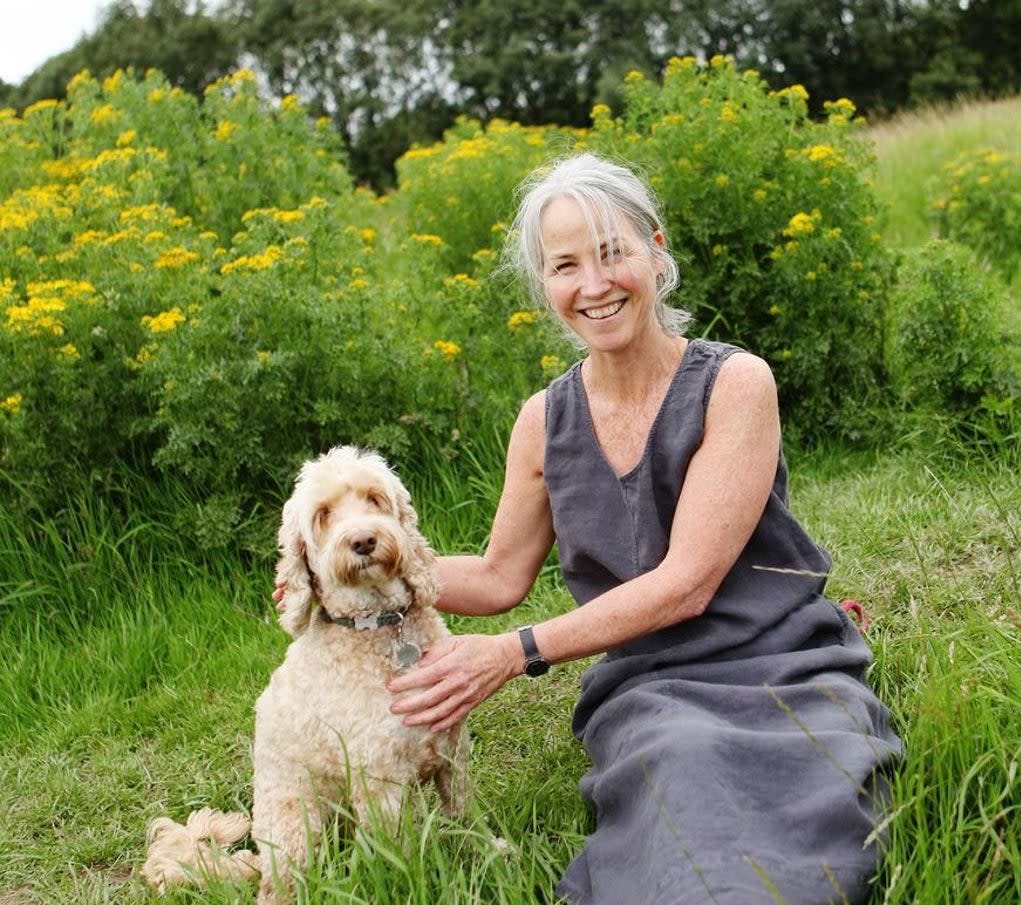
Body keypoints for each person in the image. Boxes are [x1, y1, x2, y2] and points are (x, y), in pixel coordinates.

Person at [286, 152, 902, 904]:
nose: (594, 284)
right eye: (565, 265)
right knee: (681, 768)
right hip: (655, 687)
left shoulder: (736, 384)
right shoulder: (543, 422)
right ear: (545, 286)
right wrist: (352, 568)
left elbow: (688, 581)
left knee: (813, 797)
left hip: (780, 663)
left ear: (656, 251)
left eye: (613, 253)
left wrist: (516, 653)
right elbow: (499, 574)